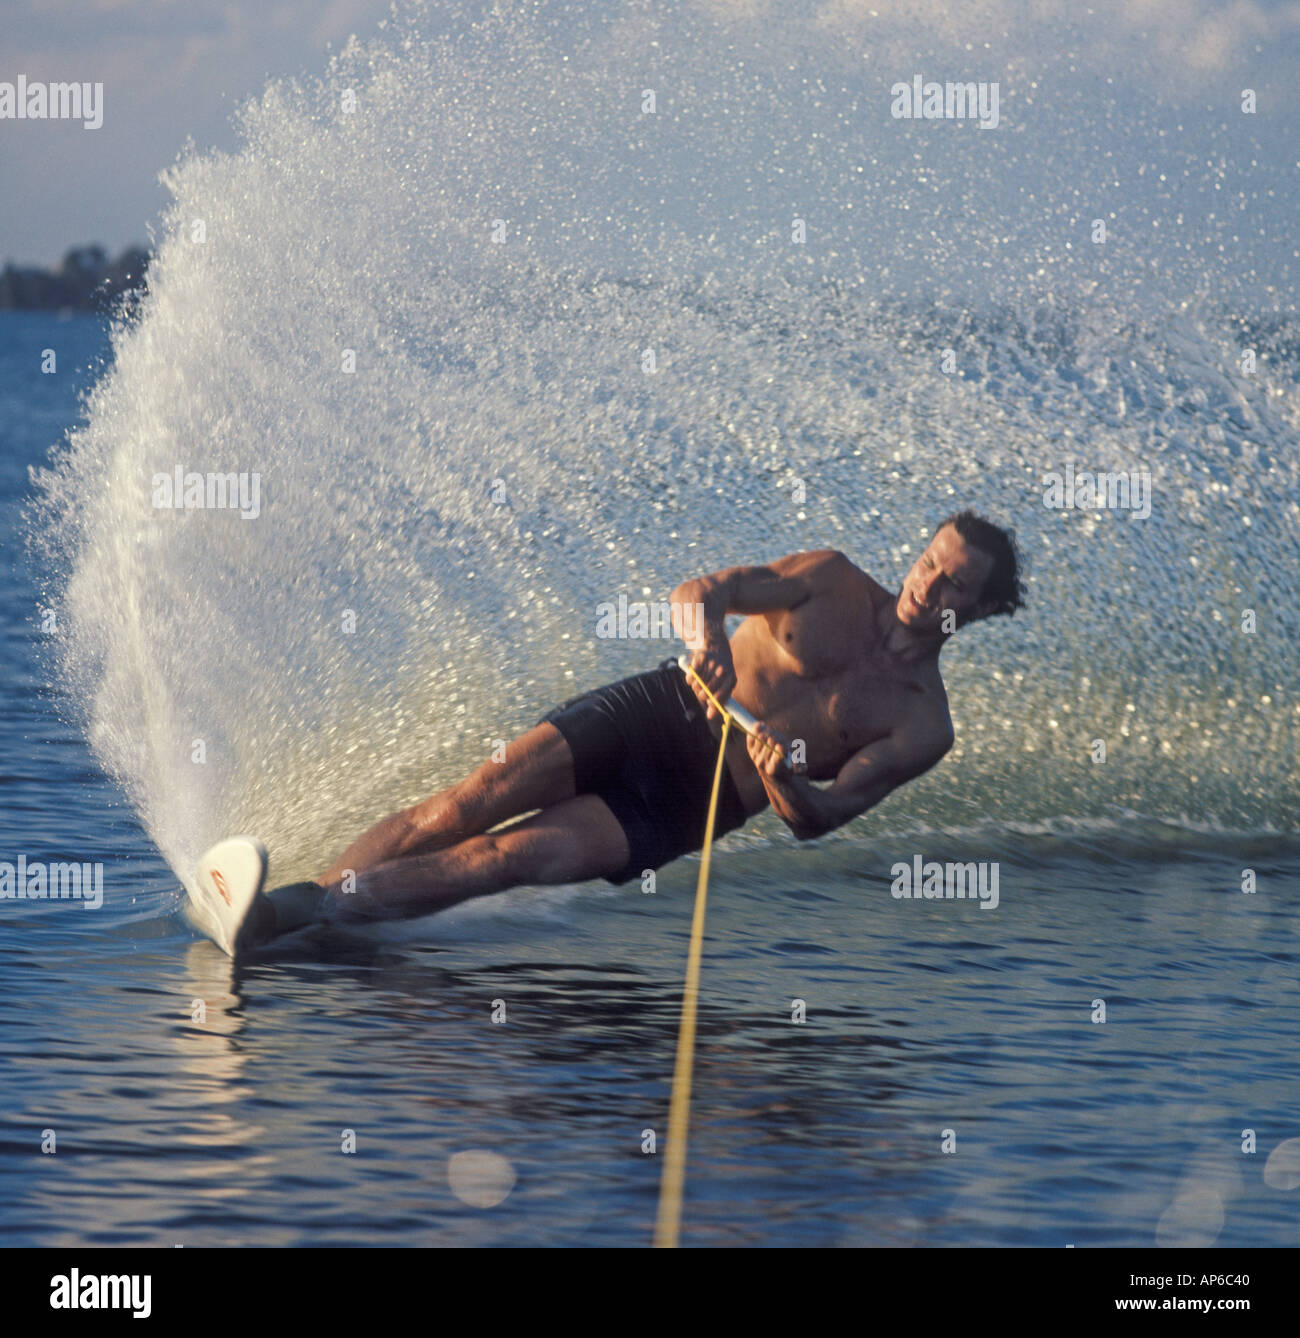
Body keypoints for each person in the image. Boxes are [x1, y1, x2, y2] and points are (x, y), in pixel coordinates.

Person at [239, 509, 1025, 949]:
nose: (931, 583)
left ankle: (320, 914)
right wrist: (709, 641)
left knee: (507, 857)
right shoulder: (831, 579)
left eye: (956, 581)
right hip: (659, 707)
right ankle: (311, 906)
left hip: (697, 798)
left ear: (982, 610)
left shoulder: (924, 725)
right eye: (931, 561)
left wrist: (784, 780)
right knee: (465, 804)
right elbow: (701, 590)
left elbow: (825, 820)